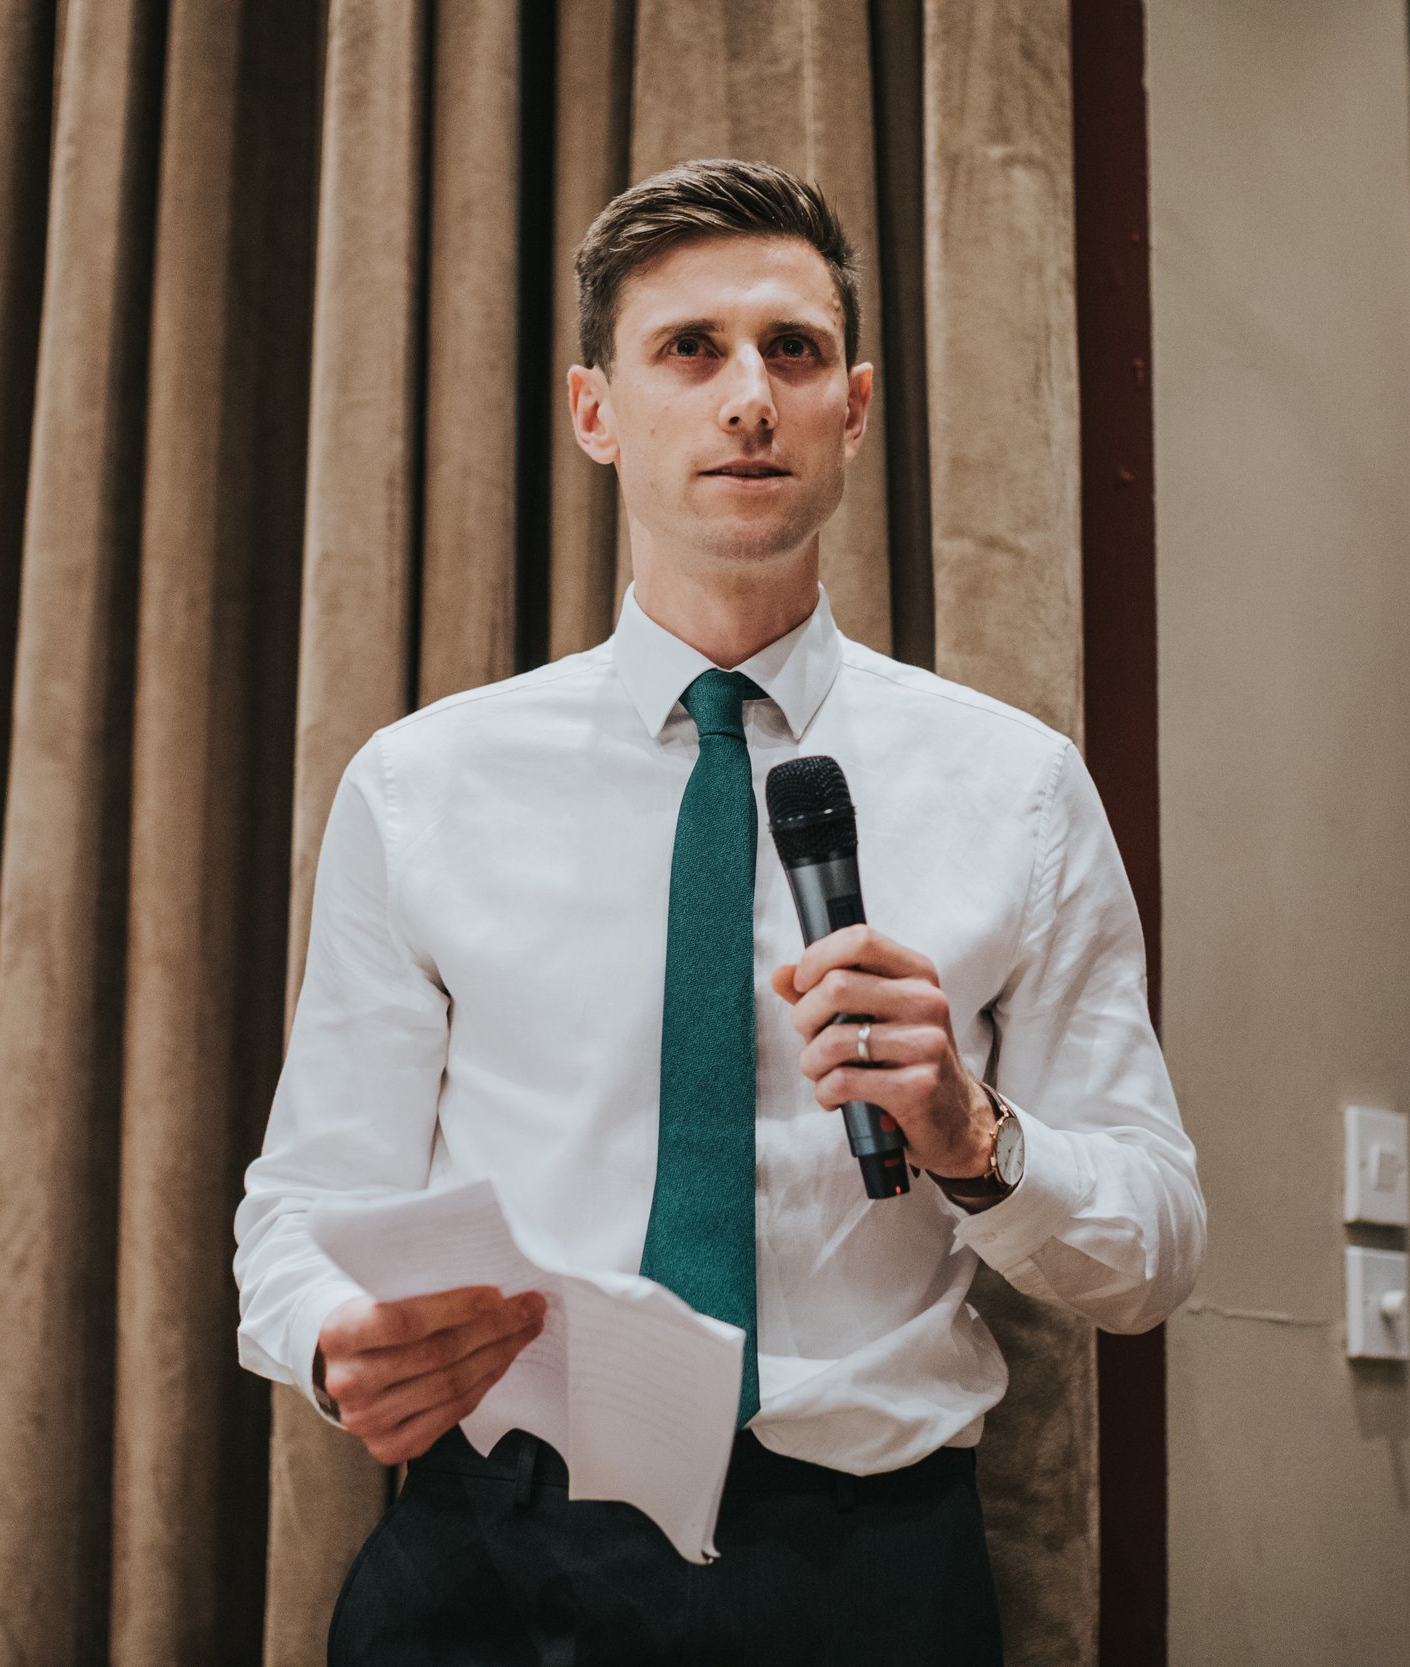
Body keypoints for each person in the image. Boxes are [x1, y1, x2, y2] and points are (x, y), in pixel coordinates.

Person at [234, 157, 1204, 1666]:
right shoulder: (422, 784)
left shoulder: (1014, 785)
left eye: (793, 351)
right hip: (491, 1559)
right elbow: (303, 1206)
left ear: (854, 410)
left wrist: (972, 1135)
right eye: (691, 348)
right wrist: (328, 1341)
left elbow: (1151, 1255)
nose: (748, 395)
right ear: (597, 412)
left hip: (863, 1572)